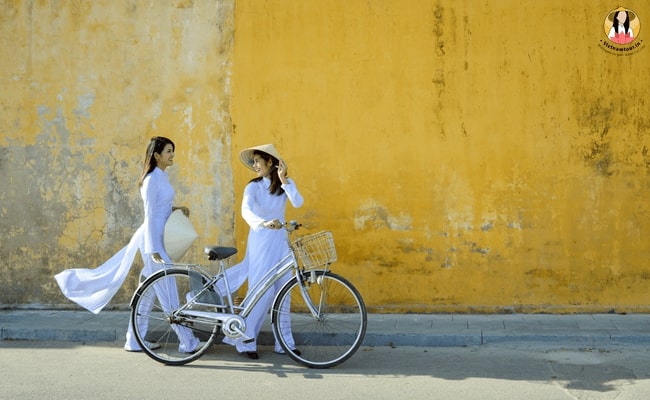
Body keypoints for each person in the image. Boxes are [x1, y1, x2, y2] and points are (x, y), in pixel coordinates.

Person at [55, 136, 199, 353]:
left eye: (172, 151)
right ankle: (187, 341)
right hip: (154, 240)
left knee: (149, 290)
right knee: (166, 287)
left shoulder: (162, 177)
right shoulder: (151, 179)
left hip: (160, 236)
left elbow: (160, 209)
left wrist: (177, 209)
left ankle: (133, 339)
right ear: (157, 155)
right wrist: (152, 249)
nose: (172, 155)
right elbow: (150, 215)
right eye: (169, 151)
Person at [222, 143, 304, 359]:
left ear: (271, 161)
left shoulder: (285, 185)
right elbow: (245, 211)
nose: (255, 165)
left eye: (258, 161)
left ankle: (284, 342)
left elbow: (298, 202)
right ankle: (246, 341)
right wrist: (263, 222)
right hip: (261, 240)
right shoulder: (253, 187)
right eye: (254, 162)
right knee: (261, 291)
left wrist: (285, 179)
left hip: (280, 242)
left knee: (283, 291)